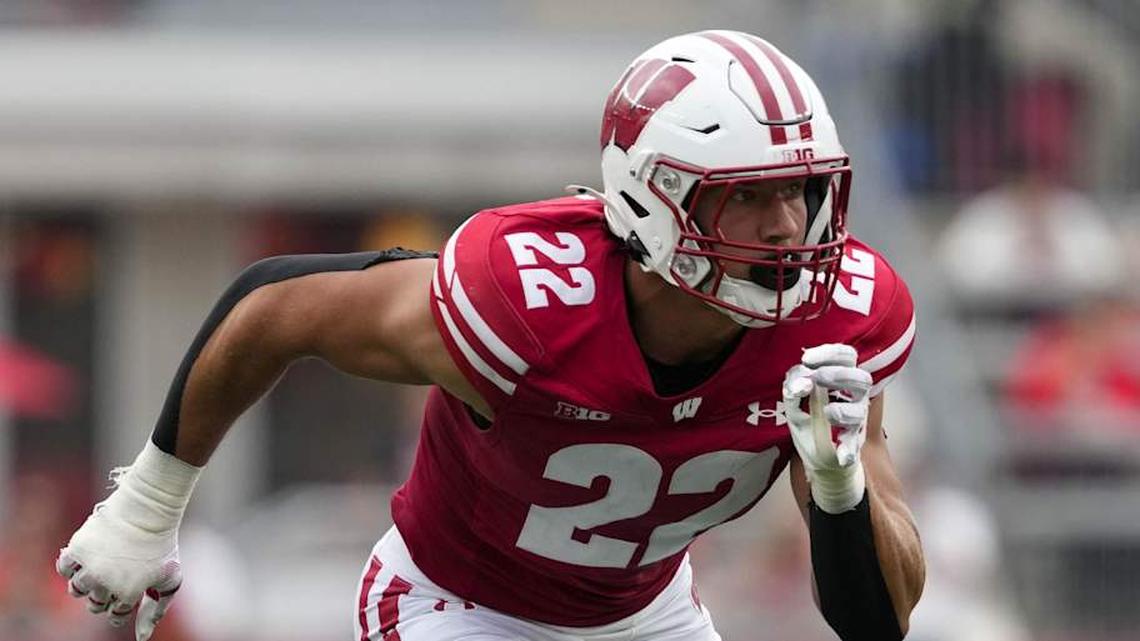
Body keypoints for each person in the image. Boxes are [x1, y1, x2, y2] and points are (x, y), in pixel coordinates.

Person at [56, 31, 924, 641]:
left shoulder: (840, 319)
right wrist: (149, 504)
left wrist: (838, 488)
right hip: (458, 606)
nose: (785, 228)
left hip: (645, 615)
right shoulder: (527, 298)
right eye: (747, 194)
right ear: (653, 198)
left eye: (800, 191)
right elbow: (280, 304)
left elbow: (877, 622)